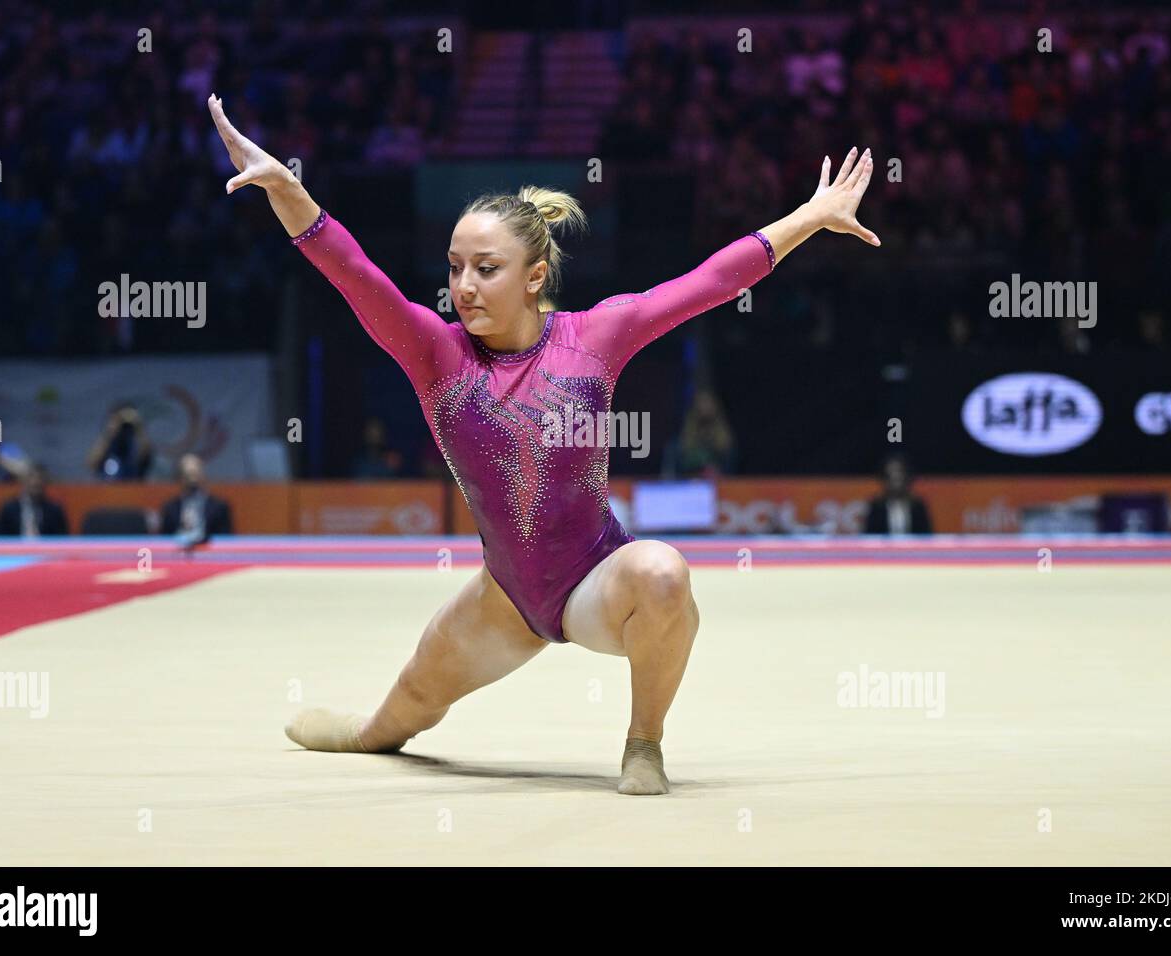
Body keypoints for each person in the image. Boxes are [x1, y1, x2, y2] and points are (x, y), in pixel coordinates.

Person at [209, 94, 880, 794]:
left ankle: (643, 745)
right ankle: (361, 731)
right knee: (398, 722)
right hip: (503, 595)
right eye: (454, 266)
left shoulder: (596, 338)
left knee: (662, 575)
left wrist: (812, 214)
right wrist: (286, 187)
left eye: (486, 269)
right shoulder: (436, 355)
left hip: (593, 582)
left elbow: (711, 282)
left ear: (535, 276)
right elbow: (353, 273)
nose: (463, 287)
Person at [160, 453, 233, 539]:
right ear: (179, 477)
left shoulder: (219, 507)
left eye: (195, 474)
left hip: (210, 551)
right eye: (187, 475)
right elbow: (164, 540)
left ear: (203, 475)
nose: (192, 480)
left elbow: (225, 541)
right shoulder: (170, 509)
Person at [863, 455, 933, 535]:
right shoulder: (876, 505)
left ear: (907, 478)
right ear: (885, 480)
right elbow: (869, 536)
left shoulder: (918, 505)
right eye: (891, 477)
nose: (896, 481)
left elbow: (927, 535)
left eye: (899, 477)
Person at [86, 403, 153, 480]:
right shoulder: (108, 441)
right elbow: (91, 463)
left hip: (132, 487)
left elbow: (145, 454)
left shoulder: (135, 440)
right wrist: (111, 429)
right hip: (108, 488)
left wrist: (138, 425)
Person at [0, 464, 69, 537]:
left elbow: (61, 540)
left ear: (45, 482)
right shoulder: (9, 509)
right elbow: (0, 539)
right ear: (23, 481)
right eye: (31, 478)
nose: (36, 482)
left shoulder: (54, 511)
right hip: (15, 548)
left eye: (40, 478)